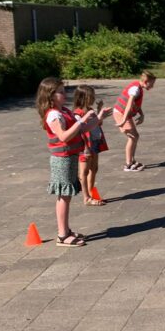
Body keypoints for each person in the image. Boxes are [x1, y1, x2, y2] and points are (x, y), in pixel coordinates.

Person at [36, 77, 98, 247]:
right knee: (64, 196)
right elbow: (63, 136)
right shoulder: (53, 115)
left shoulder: (63, 111)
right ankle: (62, 235)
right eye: (61, 92)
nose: (65, 95)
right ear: (50, 95)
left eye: (64, 91)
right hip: (61, 160)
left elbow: (81, 129)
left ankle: (66, 230)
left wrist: (97, 119)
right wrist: (82, 120)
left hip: (70, 157)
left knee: (67, 196)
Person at [73, 85, 112, 206]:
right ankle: (86, 197)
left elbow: (98, 123)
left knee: (94, 169)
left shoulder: (90, 110)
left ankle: (91, 193)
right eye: (91, 96)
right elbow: (80, 132)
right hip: (85, 145)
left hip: (95, 142)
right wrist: (85, 147)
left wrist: (100, 112)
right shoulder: (77, 114)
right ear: (83, 97)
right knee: (84, 171)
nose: (93, 98)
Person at [113, 71, 156, 171]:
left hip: (125, 114)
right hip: (121, 113)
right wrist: (123, 120)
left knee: (135, 136)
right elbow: (129, 104)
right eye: (152, 84)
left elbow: (136, 105)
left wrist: (142, 114)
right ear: (146, 81)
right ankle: (128, 164)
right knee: (132, 137)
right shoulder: (135, 89)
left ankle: (131, 161)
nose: (152, 86)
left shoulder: (138, 88)